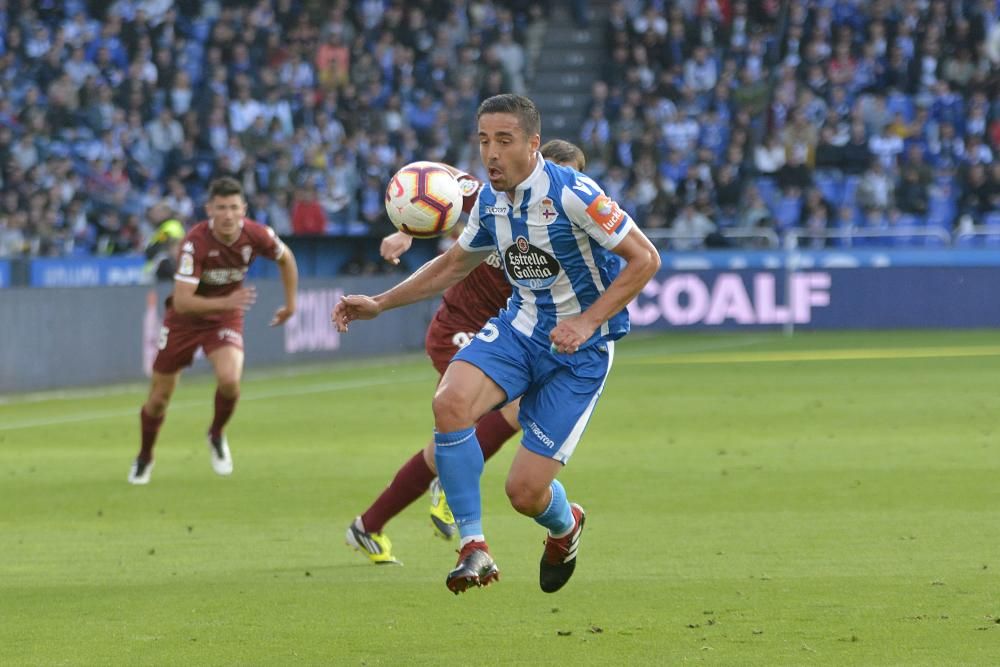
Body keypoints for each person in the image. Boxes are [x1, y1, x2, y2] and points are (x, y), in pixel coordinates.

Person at [333, 94, 660, 594]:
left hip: (581, 353)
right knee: (451, 402)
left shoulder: (574, 193)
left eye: (504, 141)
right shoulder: (489, 200)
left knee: (525, 493)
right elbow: (450, 266)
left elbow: (646, 259)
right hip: (519, 328)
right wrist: (379, 302)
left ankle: (564, 526)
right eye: (484, 140)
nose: (491, 153)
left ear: (533, 145)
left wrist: (589, 322)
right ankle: (474, 548)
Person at [345, 139, 589, 565]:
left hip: (513, 334)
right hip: (460, 326)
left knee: (453, 440)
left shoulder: (571, 227)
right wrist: (408, 227)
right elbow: (436, 178)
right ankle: (446, 494)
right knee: (486, 414)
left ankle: (368, 525)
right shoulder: (491, 195)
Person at [128, 177, 299, 485]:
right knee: (158, 399)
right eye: (221, 208)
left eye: (234, 207)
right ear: (209, 210)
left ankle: (216, 433)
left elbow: (286, 259)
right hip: (183, 321)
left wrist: (291, 304)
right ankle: (145, 456)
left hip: (224, 317)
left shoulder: (257, 234)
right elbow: (182, 301)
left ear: (244, 209)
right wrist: (228, 300)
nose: (228, 215)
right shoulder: (195, 243)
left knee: (230, 380)